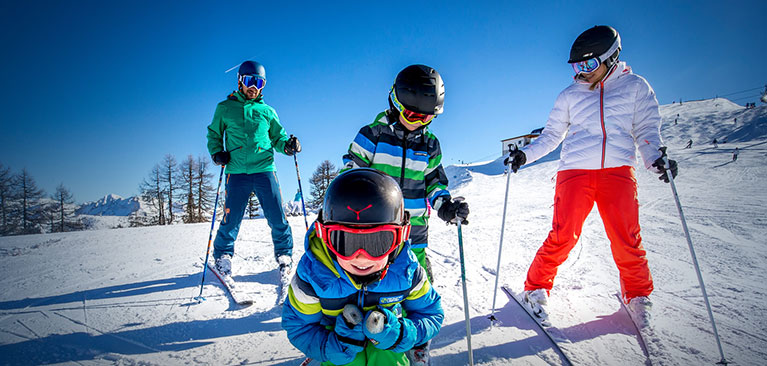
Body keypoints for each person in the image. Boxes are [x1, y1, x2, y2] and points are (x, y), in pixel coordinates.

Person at [504, 25, 678, 327]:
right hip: (575, 171)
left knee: (627, 238)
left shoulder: (636, 87)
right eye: (576, 66)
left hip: (619, 171)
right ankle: (535, 288)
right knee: (563, 234)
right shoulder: (569, 95)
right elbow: (551, 136)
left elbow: (647, 130)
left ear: (610, 58)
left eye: (588, 64)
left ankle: (637, 294)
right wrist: (525, 155)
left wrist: (655, 159)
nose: (581, 72)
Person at [282, 168, 443, 365]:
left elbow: (430, 313)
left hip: (387, 343)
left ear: (400, 237)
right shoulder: (314, 275)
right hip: (336, 346)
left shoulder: (405, 270)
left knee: (387, 358)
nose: (362, 258)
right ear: (325, 237)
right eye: (345, 242)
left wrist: (401, 334)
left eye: (378, 243)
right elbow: (299, 326)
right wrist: (331, 347)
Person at [342, 64, 469, 284]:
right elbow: (351, 171)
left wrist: (446, 205)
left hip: (414, 229)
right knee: (378, 281)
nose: (418, 123)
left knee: (415, 283)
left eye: (426, 118)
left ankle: (416, 314)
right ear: (395, 103)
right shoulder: (373, 135)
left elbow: (434, 182)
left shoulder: (429, 144)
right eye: (411, 115)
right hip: (376, 227)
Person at [206, 60, 302, 285]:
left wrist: (288, 146)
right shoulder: (224, 108)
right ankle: (223, 256)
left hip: (264, 169)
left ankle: (284, 255)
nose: (254, 87)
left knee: (277, 216)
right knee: (231, 218)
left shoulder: (267, 111)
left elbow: (278, 137)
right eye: (250, 81)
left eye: (260, 82)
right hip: (236, 171)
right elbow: (213, 134)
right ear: (240, 81)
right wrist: (217, 152)